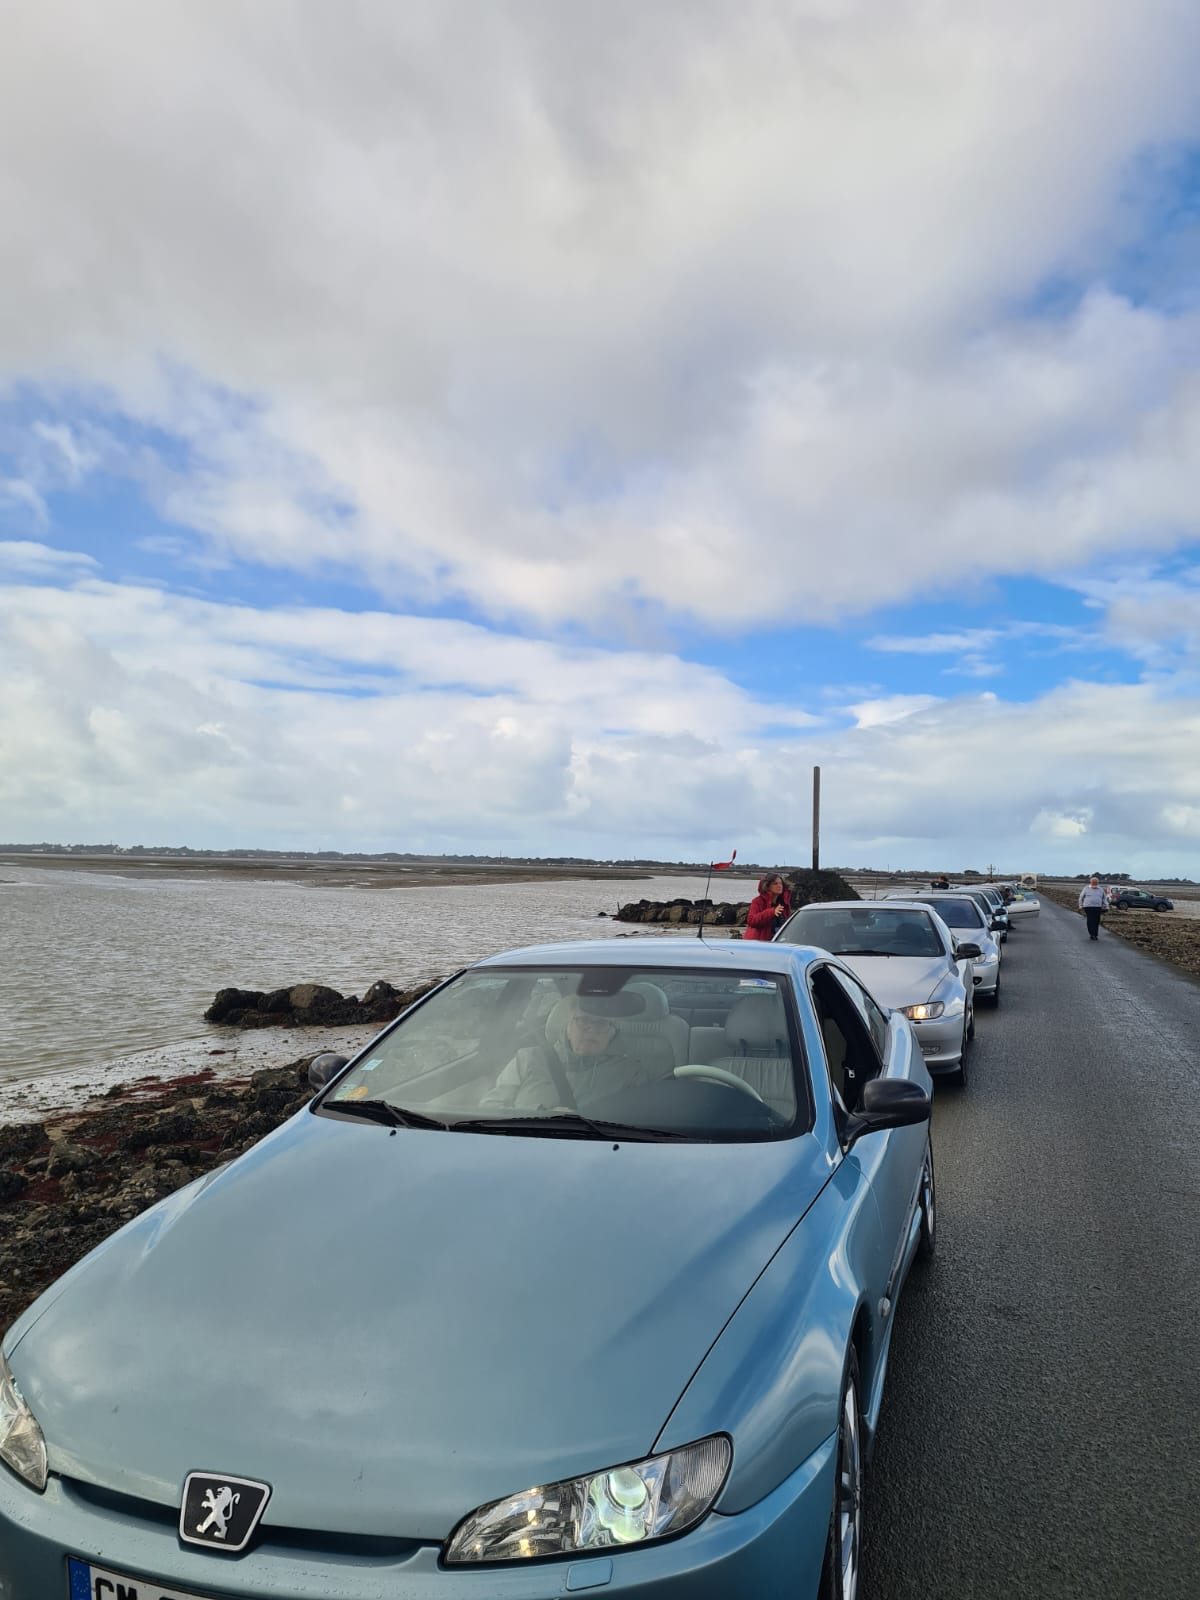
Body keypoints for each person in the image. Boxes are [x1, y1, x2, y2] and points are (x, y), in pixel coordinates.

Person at [482, 992, 655, 1112]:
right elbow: (489, 1107)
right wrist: (541, 1116)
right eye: (583, 1021)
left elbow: (640, 1120)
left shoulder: (631, 1073)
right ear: (568, 1025)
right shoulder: (528, 1058)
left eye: (601, 1023)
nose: (590, 1030)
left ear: (613, 1031)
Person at [744, 873, 792, 941]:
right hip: (758, 943)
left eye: (781, 883)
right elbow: (751, 921)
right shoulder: (758, 901)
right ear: (767, 886)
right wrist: (771, 912)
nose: (779, 886)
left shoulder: (784, 903)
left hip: (778, 943)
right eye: (775, 884)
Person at [1078, 876, 1106, 940]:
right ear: (1091, 882)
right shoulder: (1086, 888)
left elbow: (1104, 898)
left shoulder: (1101, 889)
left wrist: (1106, 906)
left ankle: (1095, 934)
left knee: (1096, 921)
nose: (1094, 884)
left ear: (1098, 883)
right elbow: (1081, 897)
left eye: (1096, 883)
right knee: (1090, 920)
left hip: (1098, 907)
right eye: (1093, 883)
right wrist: (1080, 905)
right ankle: (1092, 934)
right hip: (1088, 907)